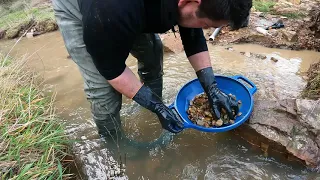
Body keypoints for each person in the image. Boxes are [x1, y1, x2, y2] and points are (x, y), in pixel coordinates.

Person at [52, 0, 252, 137]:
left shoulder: (190, 5)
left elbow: (192, 33)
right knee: (103, 90)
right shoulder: (112, 12)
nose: (205, 29)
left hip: (134, 9)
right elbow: (112, 71)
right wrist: (158, 108)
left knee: (153, 51)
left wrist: (212, 87)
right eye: (206, 24)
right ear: (189, 1)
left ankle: (151, 105)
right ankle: (112, 142)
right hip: (87, 10)